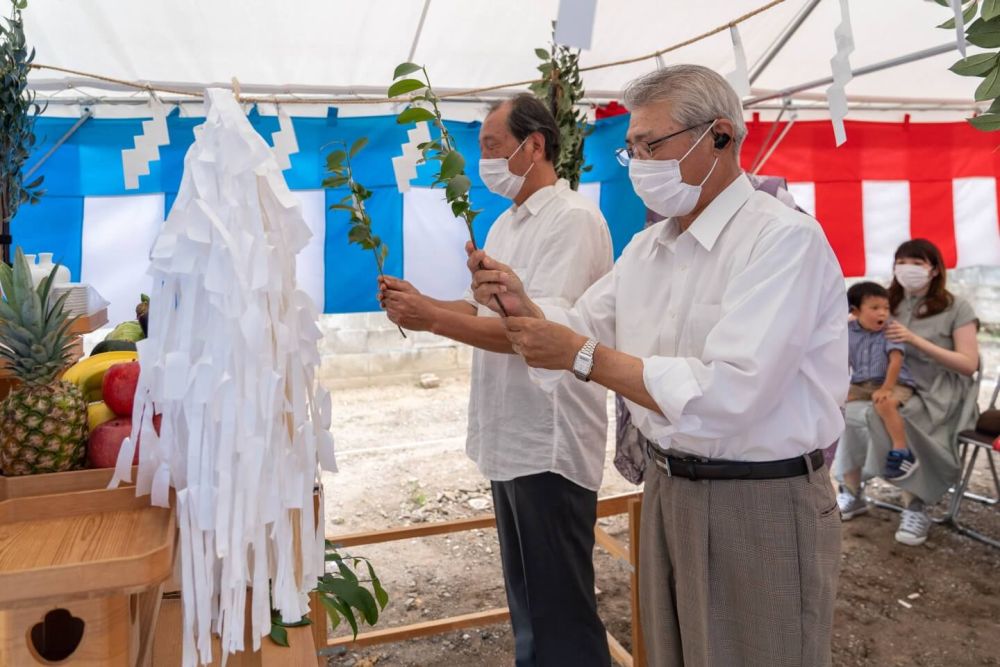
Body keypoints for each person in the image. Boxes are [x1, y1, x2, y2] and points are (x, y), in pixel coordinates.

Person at [467, 65, 846, 667]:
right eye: (633, 149)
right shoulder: (649, 247)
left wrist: (583, 356)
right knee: (672, 653)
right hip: (670, 488)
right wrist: (523, 305)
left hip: (761, 500)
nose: (640, 163)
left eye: (653, 145)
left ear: (721, 135)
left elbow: (731, 391)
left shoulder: (782, 241)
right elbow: (583, 321)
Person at [379, 93, 614, 666]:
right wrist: (420, 305)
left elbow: (535, 335)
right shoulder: (508, 223)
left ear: (535, 146)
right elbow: (480, 314)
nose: (483, 159)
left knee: (560, 612)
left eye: (491, 145)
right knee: (531, 604)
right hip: (515, 435)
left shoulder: (574, 220)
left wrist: (434, 318)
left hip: (549, 440)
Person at [835, 239, 979, 546]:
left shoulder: (957, 307)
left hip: (940, 389)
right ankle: (852, 492)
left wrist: (914, 339)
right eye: (902, 263)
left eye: (917, 263)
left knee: (897, 413)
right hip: (886, 380)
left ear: (935, 269)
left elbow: (969, 364)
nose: (908, 270)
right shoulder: (888, 302)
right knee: (845, 410)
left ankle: (915, 505)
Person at [846, 281, 918, 481]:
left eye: (886, 308)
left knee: (885, 404)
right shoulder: (848, 331)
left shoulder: (890, 330)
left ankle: (901, 450)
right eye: (875, 308)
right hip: (863, 383)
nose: (882, 313)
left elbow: (896, 361)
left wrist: (887, 388)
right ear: (856, 311)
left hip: (895, 382)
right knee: (837, 401)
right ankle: (837, 459)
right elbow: (845, 360)